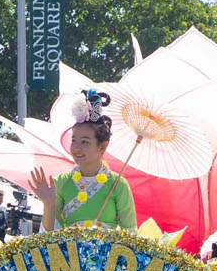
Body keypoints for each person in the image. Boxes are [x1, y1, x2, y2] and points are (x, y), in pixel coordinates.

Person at [28, 89, 137, 231]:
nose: (76, 148)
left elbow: (130, 232)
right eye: (74, 140)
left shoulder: (118, 184)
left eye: (85, 142)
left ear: (103, 146)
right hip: (69, 246)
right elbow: (49, 237)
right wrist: (48, 204)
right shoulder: (60, 182)